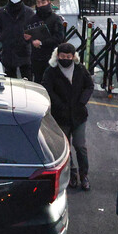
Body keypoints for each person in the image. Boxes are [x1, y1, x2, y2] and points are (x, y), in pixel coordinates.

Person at [42, 43, 94, 191]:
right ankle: (71, 173)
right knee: (65, 147)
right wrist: (59, 105)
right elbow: (47, 89)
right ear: (57, 56)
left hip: (78, 115)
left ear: (73, 57)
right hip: (61, 116)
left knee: (80, 146)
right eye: (62, 56)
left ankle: (84, 175)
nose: (65, 59)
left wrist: (82, 102)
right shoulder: (51, 71)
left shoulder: (80, 69)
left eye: (68, 57)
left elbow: (89, 86)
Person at [0, 0, 34, 79]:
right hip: (8, 48)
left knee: (27, 77)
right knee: (10, 78)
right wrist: (2, 37)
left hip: (24, 49)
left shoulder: (28, 12)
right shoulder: (3, 11)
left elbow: (34, 27)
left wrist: (29, 39)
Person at [26, 0, 65, 82]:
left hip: (51, 56)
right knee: (38, 80)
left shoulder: (55, 19)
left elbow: (59, 37)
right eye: (38, 3)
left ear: (48, 2)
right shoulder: (32, 19)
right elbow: (28, 34)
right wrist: (30, 39)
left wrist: (42, 43)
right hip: (36, 57)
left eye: (43, 2)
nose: (40, 5)